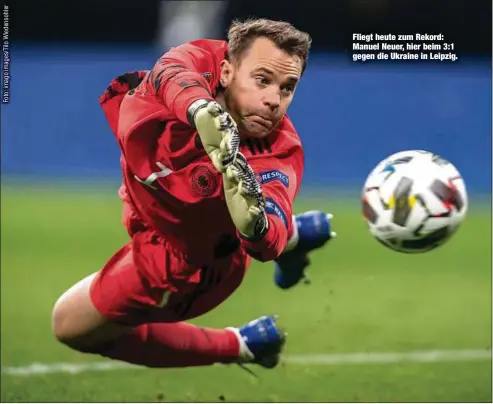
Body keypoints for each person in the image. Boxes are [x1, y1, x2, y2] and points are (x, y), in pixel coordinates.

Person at [51, 18, 335, 370]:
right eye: (262, 80)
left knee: (70, 325)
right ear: (227, 70)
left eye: (287, 88)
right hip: (149, 203)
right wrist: (202, 110)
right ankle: (302, 233)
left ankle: (246, 343)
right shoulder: (198, 61)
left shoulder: (276, 152)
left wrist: (258, 227)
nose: (274, 101)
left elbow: (267, 235)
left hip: (185, 260)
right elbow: (171, 73)